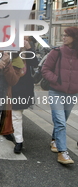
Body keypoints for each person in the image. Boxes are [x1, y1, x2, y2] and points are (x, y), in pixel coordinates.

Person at [42, 27, 78, 165]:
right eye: (63, 35)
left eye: (67, 36)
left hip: (72, 93)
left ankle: (54, 140)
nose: (63, 37)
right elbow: (45, 69)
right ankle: (63, 153)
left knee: (62, 120)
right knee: (61, 122)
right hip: (56, 91)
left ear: (75, 37)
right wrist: (56, 80)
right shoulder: (56, 52)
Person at [10, 40, 38, 153]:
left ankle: (15, 137)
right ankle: (18, 141)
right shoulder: (10, 48)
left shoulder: (28, 50)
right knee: (15, 114)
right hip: (11, 85)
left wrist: (29, 49)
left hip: (24, 87)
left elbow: (35, 63)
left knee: (17, 114)